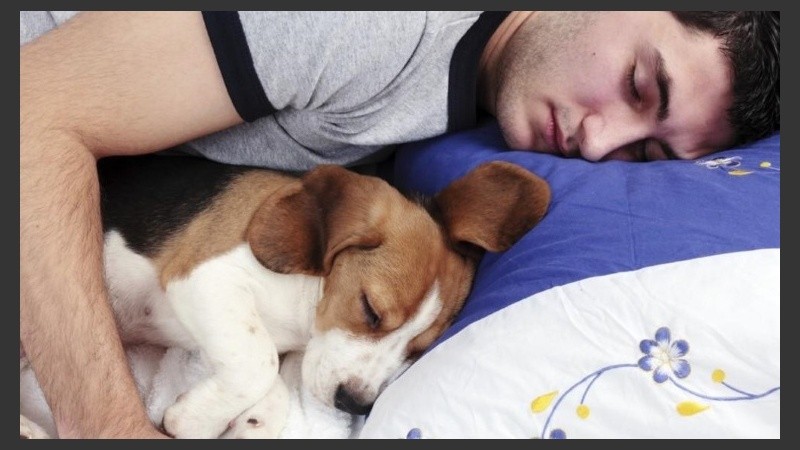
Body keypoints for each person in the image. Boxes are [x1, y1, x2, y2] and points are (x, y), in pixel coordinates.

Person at [20, 11, 779, 438]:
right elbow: (25, 113)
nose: (600, 142)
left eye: (644, 153)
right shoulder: (385, 24)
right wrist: (108, 426)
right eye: (639, 84)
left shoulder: (462, 111)